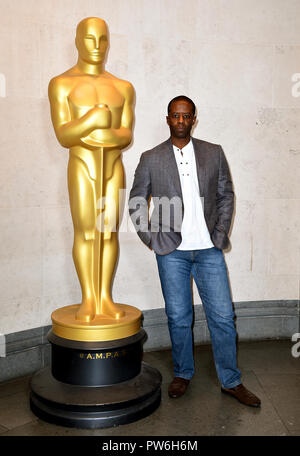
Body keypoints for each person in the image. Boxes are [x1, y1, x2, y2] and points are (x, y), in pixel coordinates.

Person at [129, 95, 261, 407]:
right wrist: (152, 239)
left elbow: (226, 194)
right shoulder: (151, 157)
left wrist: (219, 233)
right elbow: (136, 201)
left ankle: (231, 381)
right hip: (171, 252)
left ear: (194, 119)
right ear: (167, 119)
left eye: (186, 116)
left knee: (223, 317)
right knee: (178, 316)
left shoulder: (213, 153)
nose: (180, 121)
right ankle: (183, 373)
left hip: (209, 251)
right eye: (175, 116)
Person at [48, 17, 134, 322]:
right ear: (77, 40)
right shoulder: (62, 84)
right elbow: (63, 134)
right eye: (89, 39)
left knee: (108, 233)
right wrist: (91, 121)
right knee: (86, 233)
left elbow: (125, 134)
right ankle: (88, 298)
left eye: (102, 39)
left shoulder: (123, 87)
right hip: (83, 165)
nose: (97, 46)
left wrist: (101, 134)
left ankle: (105, 298)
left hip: (112, 166)